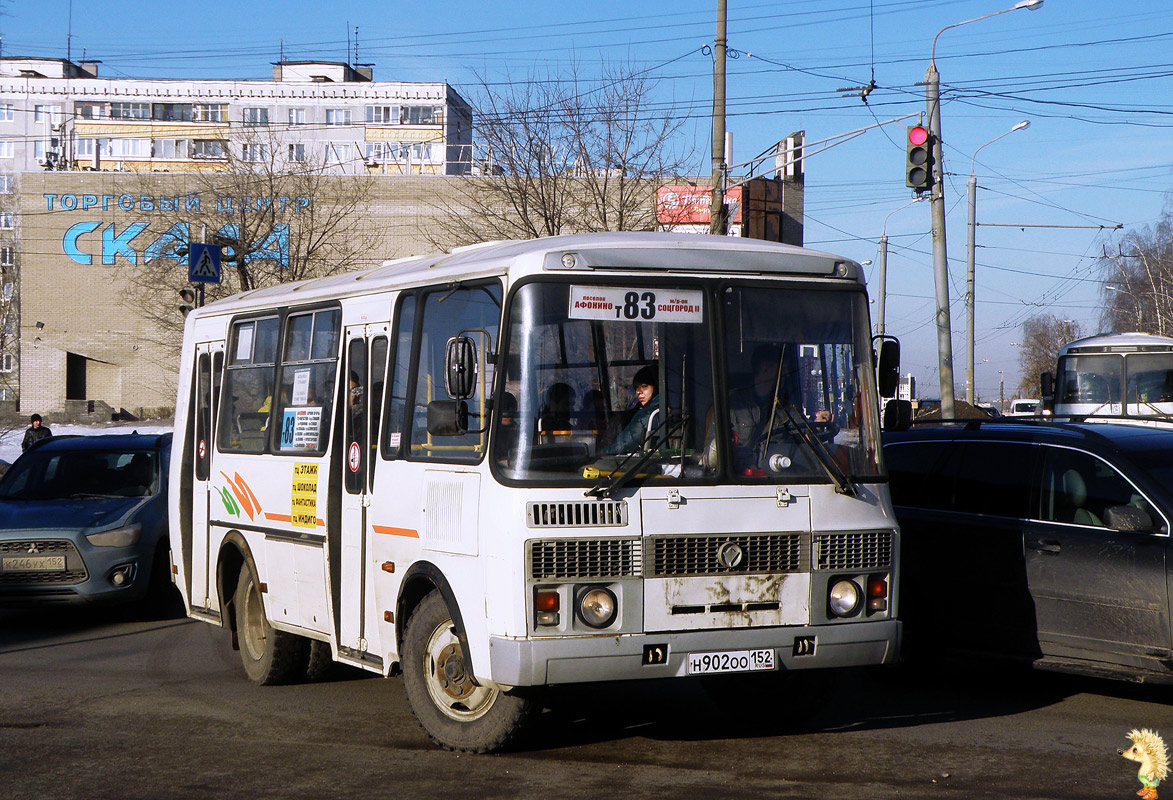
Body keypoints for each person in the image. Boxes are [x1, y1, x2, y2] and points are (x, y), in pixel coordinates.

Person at [604, 365, 660, 454]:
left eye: (644, 386)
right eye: (636, 387)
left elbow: (622, 446)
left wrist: (600, 453)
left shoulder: (647, 415)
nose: (638, 392)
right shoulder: (645, 409)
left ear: (657, 386)